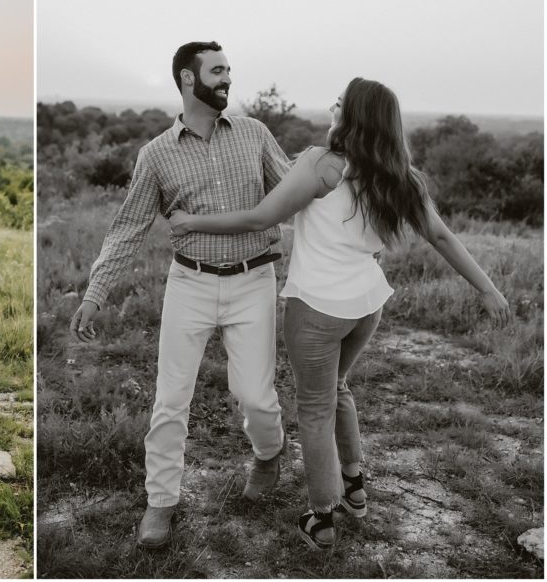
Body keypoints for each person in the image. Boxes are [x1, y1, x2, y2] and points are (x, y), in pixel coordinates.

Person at [168, 76, 509, 550]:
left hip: (316, 310)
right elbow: (443, 237)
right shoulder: (400, 178)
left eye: (340, 102)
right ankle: (354, 485)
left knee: (314, 410)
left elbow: (260, 218)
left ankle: (321, 517)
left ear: (354, 117)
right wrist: (488, 290)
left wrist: (191, 220)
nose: (333, 105)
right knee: (338, 388)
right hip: (366, 306)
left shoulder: (321, 164)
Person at [70, 41, 292, 549]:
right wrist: (95, 293)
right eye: (217, 71)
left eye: (229, 70)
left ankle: (268, 453)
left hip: (254, 278)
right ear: (188, 80)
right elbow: (128, 228)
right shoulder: (156, 155)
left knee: (255, 396)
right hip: (189, 282)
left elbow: (292, 194)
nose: (227, 79)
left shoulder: (255, 134)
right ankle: (161, 502)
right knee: (170, 401)